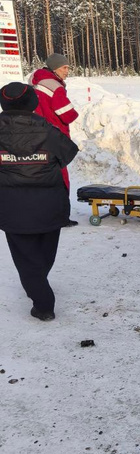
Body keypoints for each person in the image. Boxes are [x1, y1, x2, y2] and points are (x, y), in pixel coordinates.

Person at [0, 82, 78, 321]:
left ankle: (36, 287)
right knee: (43, 254)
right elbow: (69, 152)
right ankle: (43, 303)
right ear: (32, 103)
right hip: (49, 206)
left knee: (26, 257)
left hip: (12, 208)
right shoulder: (47, 129)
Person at [32, 53, 79, 226]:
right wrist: (75, 112)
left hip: (36, 136)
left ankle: (41, 214)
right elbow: (67, 114)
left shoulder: (34, 81)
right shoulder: (55, 86)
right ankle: (60, 217)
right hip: (55, 137)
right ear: (54, 68)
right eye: (64, 67)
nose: (67, 71)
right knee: (60, 178)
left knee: (41, 177)